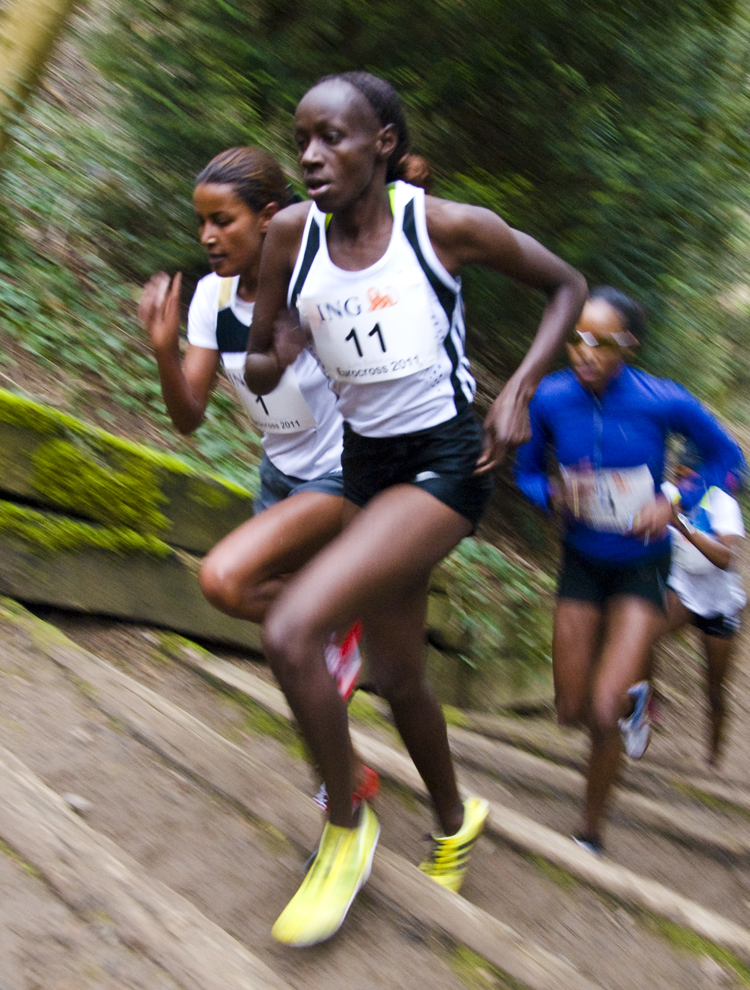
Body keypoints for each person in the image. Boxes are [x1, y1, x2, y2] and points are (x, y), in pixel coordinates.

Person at [244, 70, 587, 946]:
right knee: (396, 676)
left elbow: (569, 286)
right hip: (366, 465)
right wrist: (276, 354)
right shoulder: (291, 235)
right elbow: (263, 354)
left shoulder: (440, 227)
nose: (314, 156)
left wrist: (519, 390)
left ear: (384, 144)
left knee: (291, 632)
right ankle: (453, 816)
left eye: (336, 138)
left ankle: (347, 830)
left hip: (446, 463)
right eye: (304, 140)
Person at [137, 146, 377, 805]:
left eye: (224, 221)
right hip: (278, 478)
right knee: (285, 644)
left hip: (341, 480)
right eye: (201, 224)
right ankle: (344, 772)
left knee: (223, 579)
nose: (209, 237)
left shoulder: (316, 290)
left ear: (270, 218)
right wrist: (164, 351)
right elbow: (189, 416)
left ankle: (336, 628)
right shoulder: (211, 300)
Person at [515, 286, 745, 855]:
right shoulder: (550, 397)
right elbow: (524, 473)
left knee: (601, 710)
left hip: (641, 569)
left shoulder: (662, 400)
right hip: (581, 564)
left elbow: (729, 460)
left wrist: (675, 498)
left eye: (601, 342)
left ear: (629, 346)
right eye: (577, 339)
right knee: (570, 708)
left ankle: (589, 831)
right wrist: (551, 493)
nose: (585, 352)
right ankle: (632, 696)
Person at [660, 443, 746, 766]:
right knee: (642, 637)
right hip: (683, 593)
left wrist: (682, 524)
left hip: (720, 606)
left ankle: (713, 761)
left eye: (688, 475)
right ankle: (646, 704)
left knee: (715, 689)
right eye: (678, 473)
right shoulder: (670, 495)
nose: (682, 480)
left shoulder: (722, 503)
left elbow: (725, 558)